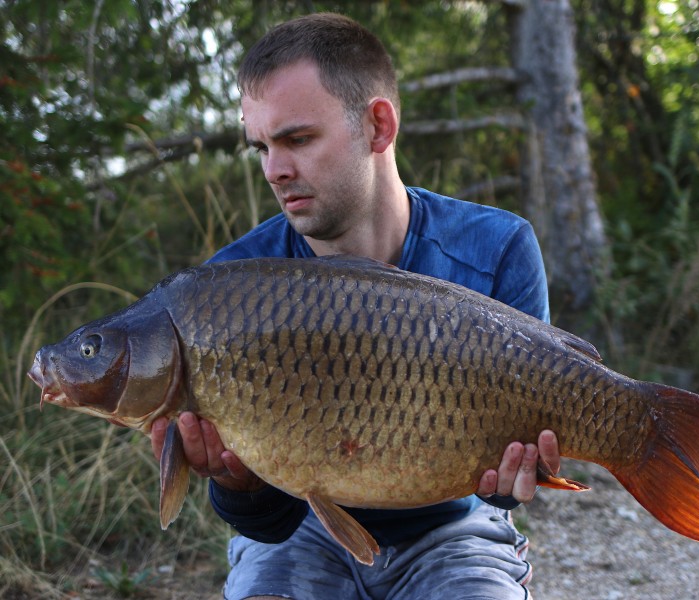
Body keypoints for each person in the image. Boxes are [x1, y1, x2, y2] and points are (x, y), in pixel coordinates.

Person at [150, 12, 560, 600]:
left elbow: (500, 490)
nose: (274, 169)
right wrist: (236, 483)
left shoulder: (497, 248)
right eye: (261, 147)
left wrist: (518, 474)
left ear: (378, 126)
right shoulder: (227, 290)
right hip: (300, 533)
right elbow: (263, 524)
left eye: (297, 139)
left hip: (452, 529)